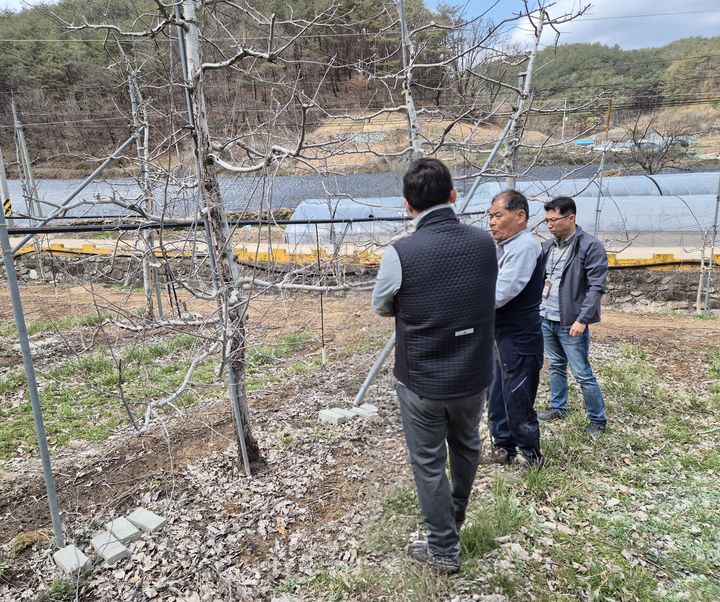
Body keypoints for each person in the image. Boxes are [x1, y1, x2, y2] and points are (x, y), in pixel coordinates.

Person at [372, 157, 497, 574]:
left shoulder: (399, 253)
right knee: (467, 446)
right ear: (453, 195)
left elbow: (381, 306)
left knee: (427, 462)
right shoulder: (484, 243)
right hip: (474, 374)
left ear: (408, 206)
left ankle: (443, 547)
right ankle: (454, 518)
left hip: (422, 378)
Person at [537, 196, 608, 436]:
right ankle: (559, 407)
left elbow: (596, 287)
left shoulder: (589, 246)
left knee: (582, 373)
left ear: (571, 218)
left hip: (571, 322)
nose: (549, 225)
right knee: (555, 365)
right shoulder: (547, 246)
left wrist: (582, 319)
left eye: (553, 220)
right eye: (546, 221)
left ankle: (597, 420)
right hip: (546, 317)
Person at [487, 190, 544, 466]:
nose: (492, 222)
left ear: (520, 216)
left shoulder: (524, 247)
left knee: (517, 399)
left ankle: (531, 457)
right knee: (497, 395)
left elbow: (500, 293)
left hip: (519, 338)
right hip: (500, 336)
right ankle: (503, 448)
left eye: (498, 215)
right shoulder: (504, 248)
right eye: (490, 217)